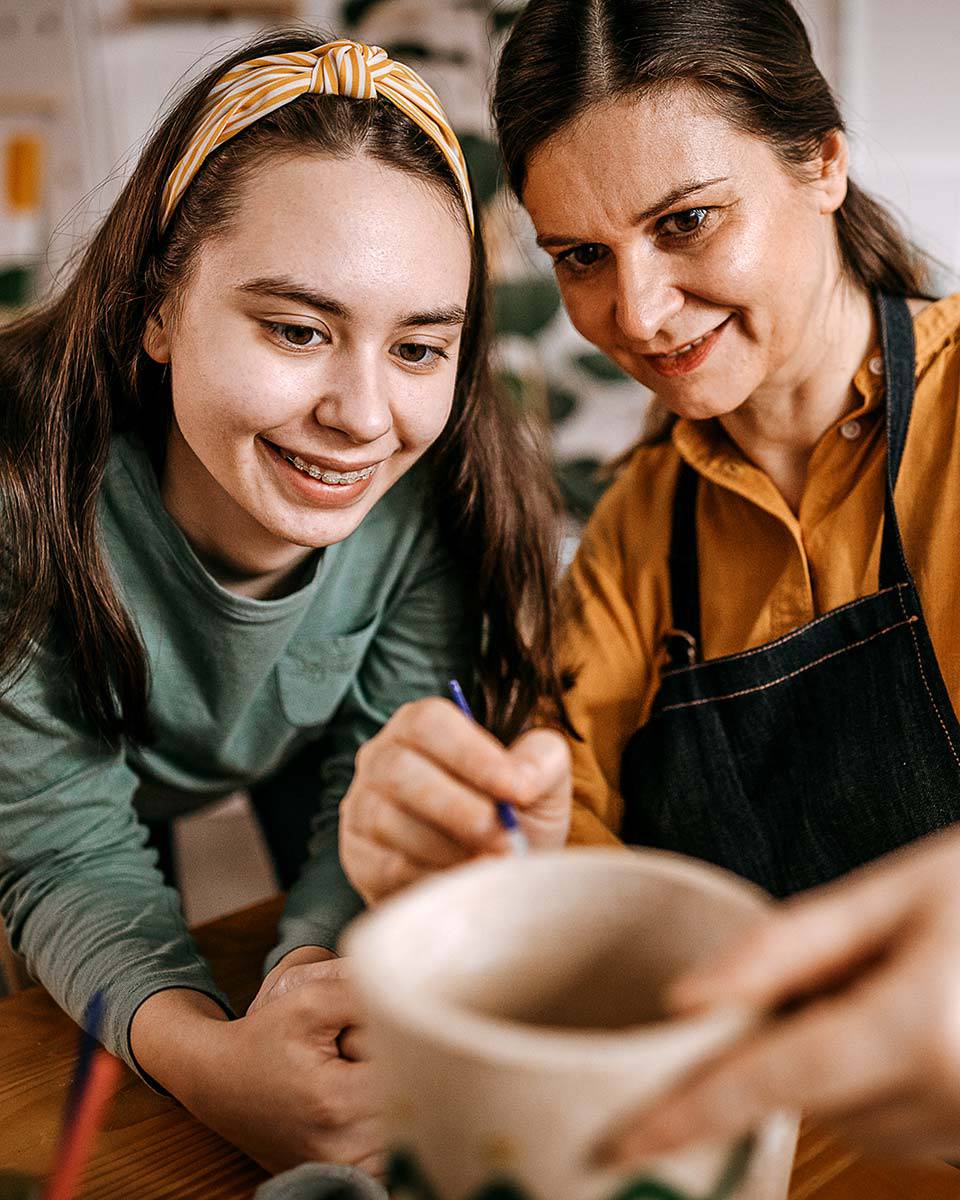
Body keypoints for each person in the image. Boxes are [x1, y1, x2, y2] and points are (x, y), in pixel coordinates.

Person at [338, 0, 960, 1160]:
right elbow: (559, 841)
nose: (636, 314)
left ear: (823, 161)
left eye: (686, 221)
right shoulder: (634, 535)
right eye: (581, 257)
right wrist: (476, 864)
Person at [0, 31, 567, 1172]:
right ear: (158, 307)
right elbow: (59, 850)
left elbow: (376, 788)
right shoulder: (24, 490)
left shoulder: (437, 505)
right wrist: (211, 1063)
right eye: (298, 329)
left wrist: (306, 988)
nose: (363, 415)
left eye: (417, 347)